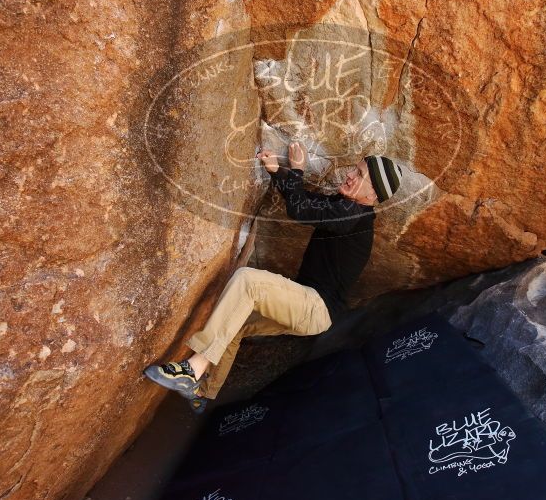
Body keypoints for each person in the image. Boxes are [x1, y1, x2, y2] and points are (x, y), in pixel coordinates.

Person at [143, 141, 404, 413]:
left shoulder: (354, 216)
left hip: (315, 306)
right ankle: (203, 393)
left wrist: (299, 169)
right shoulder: (346, 207)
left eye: (360, 175)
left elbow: (300, 210)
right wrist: (278, 171)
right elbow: (305, 201)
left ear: (373, 195)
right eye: (356, 169)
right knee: (237, 320)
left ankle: (192, 370)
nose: (350, 175)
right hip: (311, 309)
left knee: (248, 281)